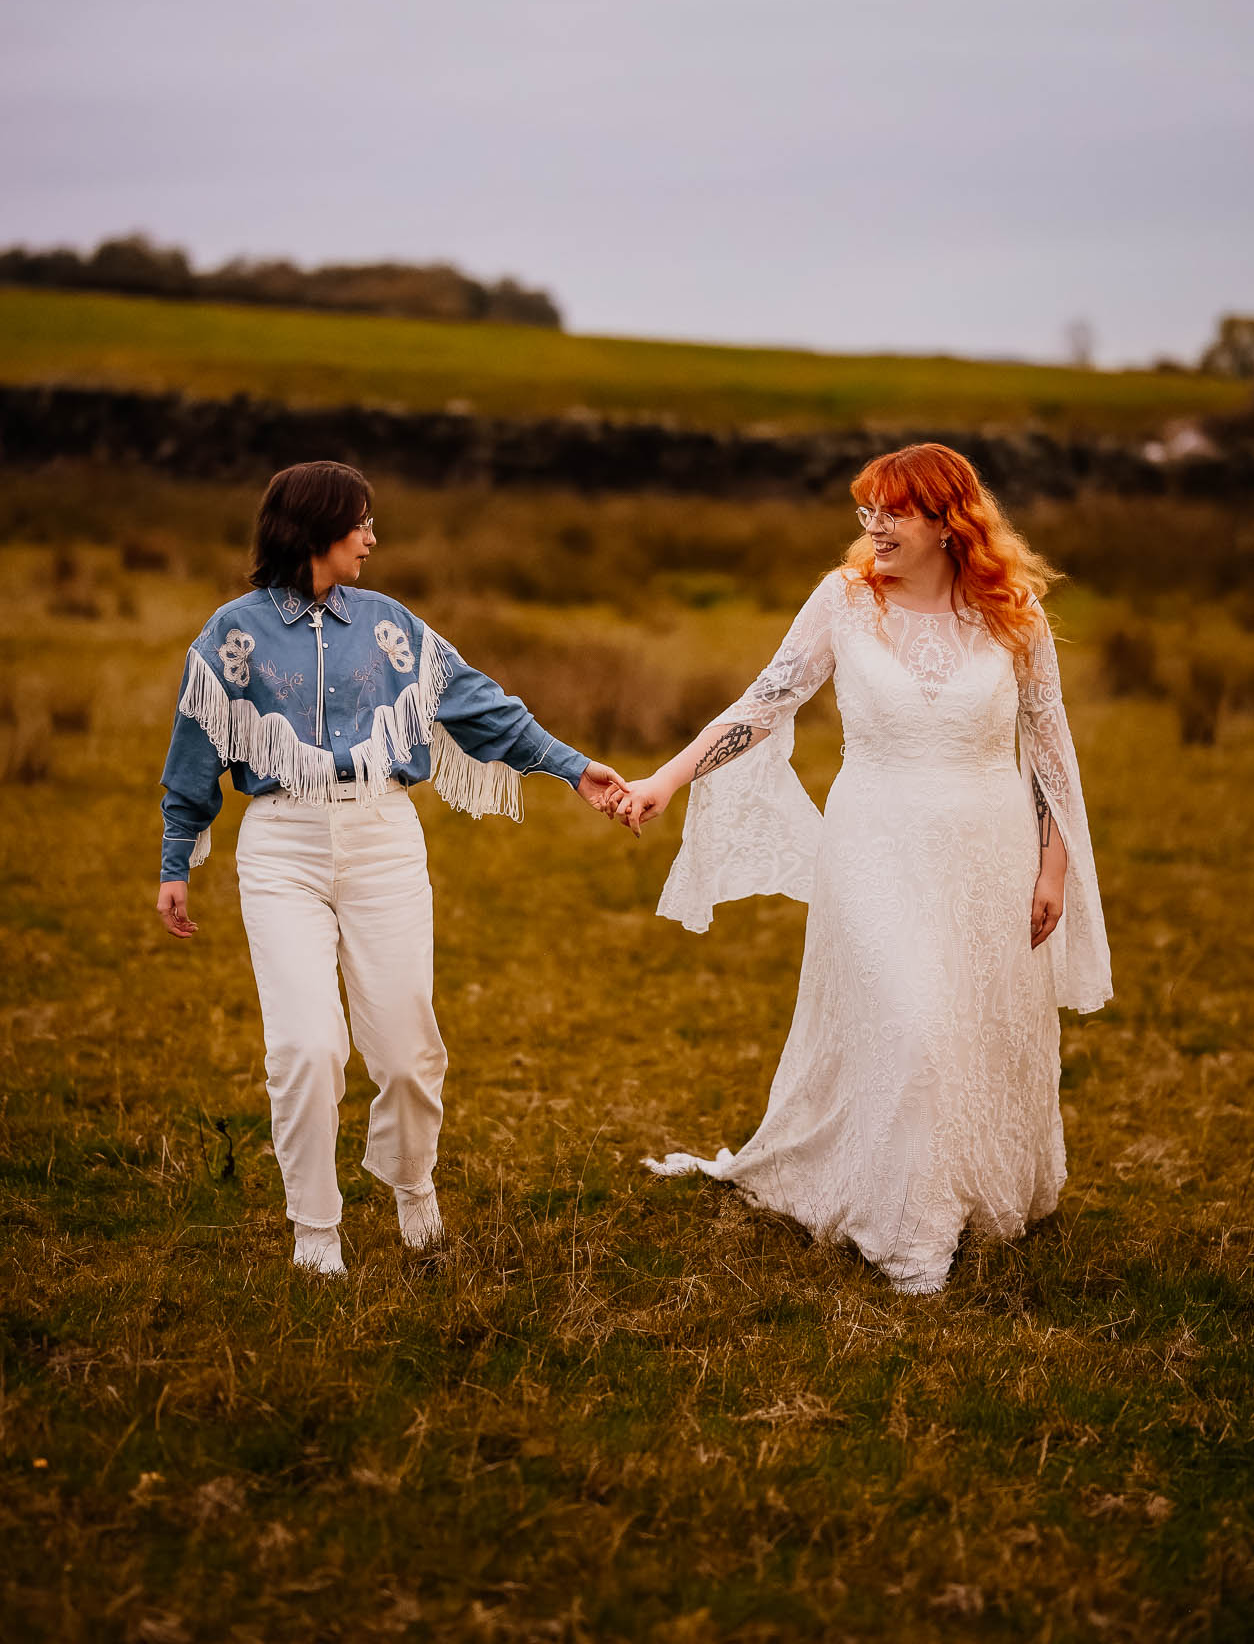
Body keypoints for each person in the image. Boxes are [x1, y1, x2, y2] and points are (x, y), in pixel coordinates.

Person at [616, 443, 1112, 1295]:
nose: (873, 528)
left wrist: (1052, 869)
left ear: (947, 522)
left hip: (988, 849)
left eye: (893, 512)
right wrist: (666, 777)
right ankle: (910, 1232)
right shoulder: (844, 601)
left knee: (967, 1023)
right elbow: (765, 700)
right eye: (866, 512)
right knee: (911, 1021)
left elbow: (1050, 753)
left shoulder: (1015, 615)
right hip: (872, 845)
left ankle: (967, 1187)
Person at [156, 461, 625, 1277]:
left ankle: (413, 1189)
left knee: (408, 1054)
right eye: (361, 523)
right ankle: (315, 1232)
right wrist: (175, 860)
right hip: (281, 844)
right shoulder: (231, 633)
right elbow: (196, 750)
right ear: (315, 531)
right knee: (306, 1049)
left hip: (384, 838)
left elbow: (480, 706)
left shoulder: (391, 625)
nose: (372, 538)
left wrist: (571, 767)